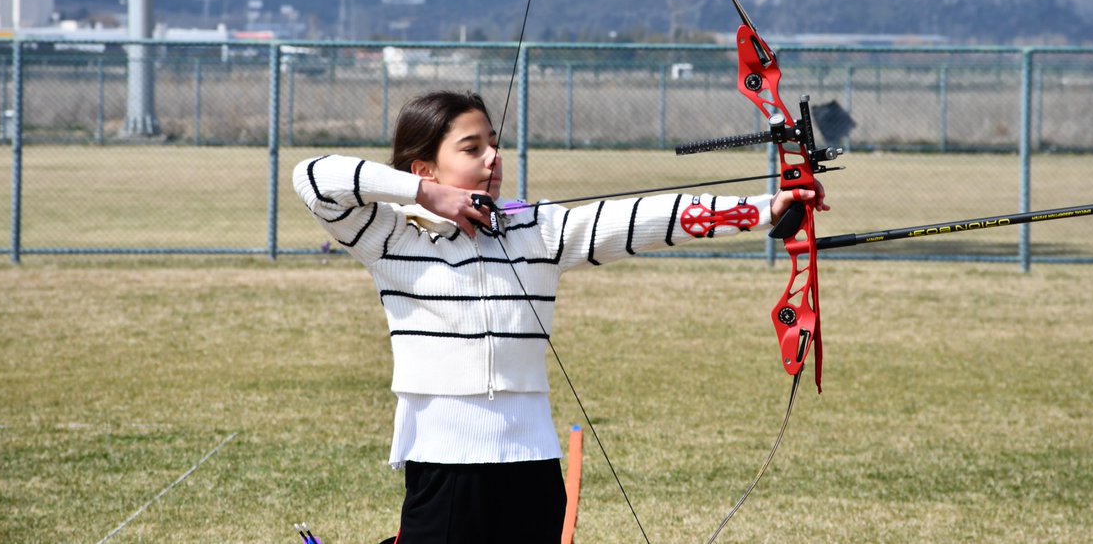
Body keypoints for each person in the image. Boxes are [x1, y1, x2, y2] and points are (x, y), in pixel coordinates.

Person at [291, 90, 826, 544]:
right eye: (471, 148)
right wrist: (428, 195)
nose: (492, 158)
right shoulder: (390, 237)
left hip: (533, 466)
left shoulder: (537, 230)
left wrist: (761, 209)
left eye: (493, 144)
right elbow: (313, 178)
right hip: (443, 466)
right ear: (424, 167)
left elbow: (637, 219)